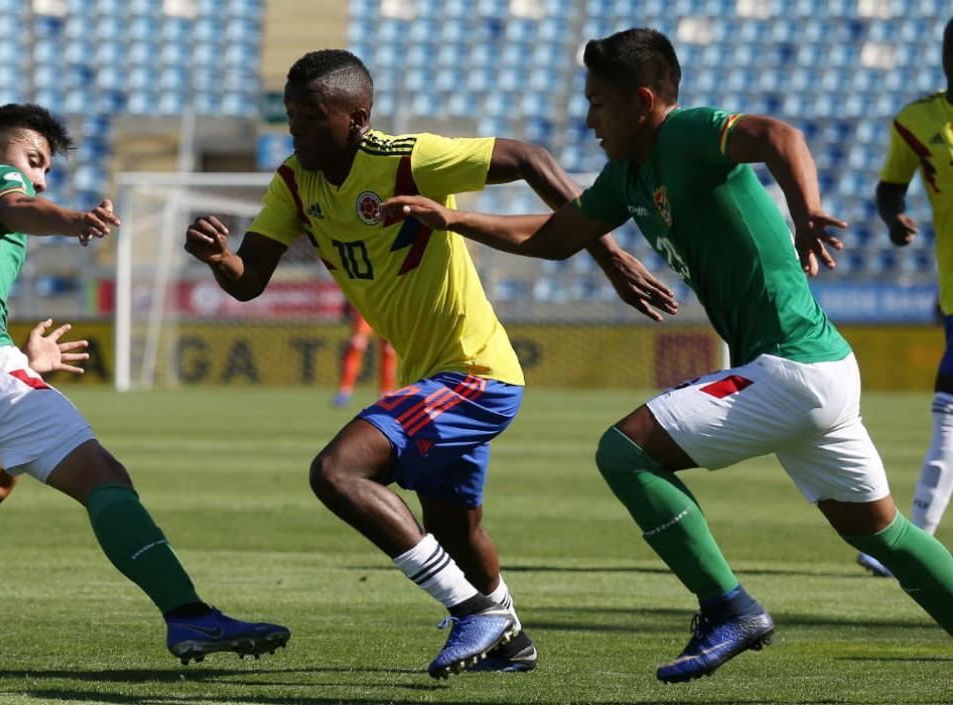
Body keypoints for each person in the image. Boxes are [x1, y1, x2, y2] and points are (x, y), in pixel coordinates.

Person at [382, 28, 953, 684]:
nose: (589, 117)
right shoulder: (627, 173)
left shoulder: (686, 133)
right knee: (885, 535)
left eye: (599, 103)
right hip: (816, 372)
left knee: (624, 451)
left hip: (791, 367)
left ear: (644, 100)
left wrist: (806, 211)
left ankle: (728, 607)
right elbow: (554, 235)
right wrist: (456, 221)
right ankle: (732, 606)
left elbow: (778, 136)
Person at [184, 49, 673, 678]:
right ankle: (511, 639)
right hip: (435, 378)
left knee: (337, 472)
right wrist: (220, 258)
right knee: (454, 528)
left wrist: (607, 256)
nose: (295, 131)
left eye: (310, 117)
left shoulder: (408, 159)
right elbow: (249, 282)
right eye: (290, 117)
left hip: (474, 373)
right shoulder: (293, 183)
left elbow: (530, 158)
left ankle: (471, 610)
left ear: (356, 117)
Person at [0, 104, 289, 665]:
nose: (38, 176)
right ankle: (190, 617)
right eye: (33, 161)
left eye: (47, 171)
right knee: (103, 475)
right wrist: (71, 220)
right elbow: (17, 205)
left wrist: (23, 363)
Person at [870, 18, 953, 578]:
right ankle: (911, 539)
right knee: (948, 412)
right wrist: (893, 218)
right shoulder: (919, 120)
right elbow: (889, 186)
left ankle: (911, 540)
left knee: (949, 412)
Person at [333, 302, 396, 407]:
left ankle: (385, 394)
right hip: (366, 308)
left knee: (389, 349)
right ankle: (344, 392)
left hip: (386, 310)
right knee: (357, 344)